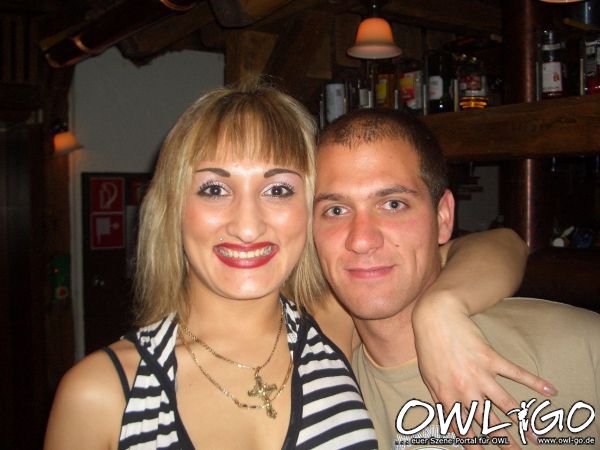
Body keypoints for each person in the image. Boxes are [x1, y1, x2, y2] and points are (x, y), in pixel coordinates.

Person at [45, 80, 540, 450]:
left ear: (309, 209)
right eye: (214, 189)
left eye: (278, 189)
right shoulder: (102, 394)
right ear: (173, 207)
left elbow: (502, 244)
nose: (247, 225)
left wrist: (442, 308)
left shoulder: (336, 318)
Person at [313, 107, 600, 449]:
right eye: (336, 210)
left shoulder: (577, 348)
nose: (361, 239)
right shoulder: (323, 400)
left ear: (443, 216)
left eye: (393, 204)